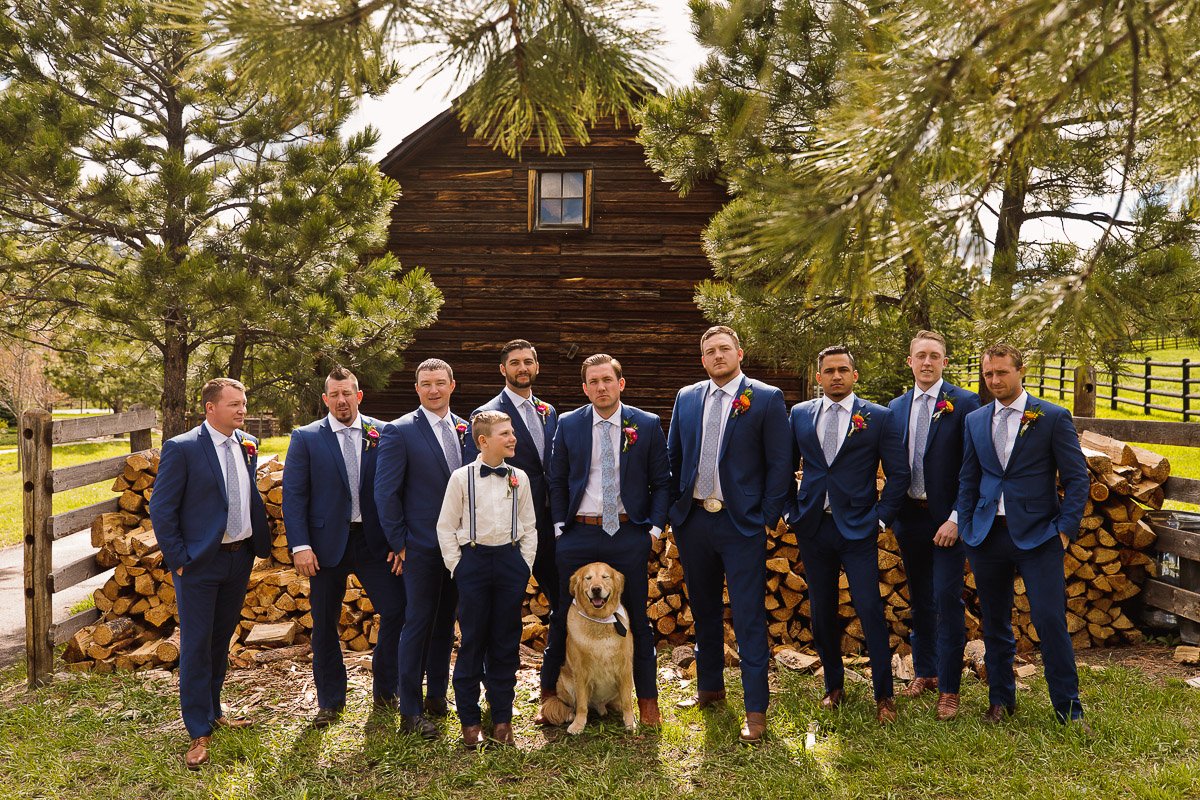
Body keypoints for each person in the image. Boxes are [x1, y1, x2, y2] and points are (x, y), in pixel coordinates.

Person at [666, 325, 792, 744]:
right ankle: (710, 689)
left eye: (724, 349)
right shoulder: (687, 397)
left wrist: (764, 517)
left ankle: (756, 709)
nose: (717, 356)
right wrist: (674, 510)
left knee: (748, 616)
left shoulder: (766, 397)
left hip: (741, 524)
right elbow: (674, 457)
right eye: (709, 351)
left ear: (740, 353)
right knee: (703, 610)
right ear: (702, 359)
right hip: (695, 521)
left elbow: (780, 463)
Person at [958, 344, 1090, 726]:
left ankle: (1068, 709)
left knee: (1050, 622)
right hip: (986, 536)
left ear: (1021, 371)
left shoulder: (1051, 417)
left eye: (1002, 372)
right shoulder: (975, 420)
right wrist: (967, 527)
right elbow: (969, 477)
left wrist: (1063, 532)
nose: (995, 380)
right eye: (988, 375)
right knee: (995, 623)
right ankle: (1001, 700)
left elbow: (1077, 478)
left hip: (1039, 536)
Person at [541, 354, 671, 727]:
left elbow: (662, 481)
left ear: (620, 384)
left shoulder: (644, 424)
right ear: (585, 388)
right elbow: (557, 479)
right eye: (593, 382)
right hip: (578, 533)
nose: (601, 387)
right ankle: (551, 693)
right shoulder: (568, 424)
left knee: (636, 618)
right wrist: (560, 528)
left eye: (607, 380)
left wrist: (653, 530)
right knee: (562, 613)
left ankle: (646, 699)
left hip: (628, 534)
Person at [149, 377, 270, 769]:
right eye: (234, 404)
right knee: (198, 645)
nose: (242, 410)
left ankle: (215, 711)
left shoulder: (245, 445)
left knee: (221, 640)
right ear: (210, 408)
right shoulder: (182, 448)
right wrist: (180, 559)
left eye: (244, 403)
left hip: (239, 559)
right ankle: (197, 728)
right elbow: (162, 510)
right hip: (199, 563)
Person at [788, 345, 910, 724]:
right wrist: (790, 510)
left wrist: (880, 518)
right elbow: (784, 466)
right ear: (819, 377)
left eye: (843, 370)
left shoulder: (878, 417)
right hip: (813, 526)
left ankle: (884, 695)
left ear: (855, 376)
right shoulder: (800, 415)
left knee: (869, 608)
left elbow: (899, 474)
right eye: (829, 371)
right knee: (821, 609)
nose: (836, 376)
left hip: (858, 527)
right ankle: (833, 686)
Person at [282, 366, 404, 729]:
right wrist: (301, 545)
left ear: (358, 396)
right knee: (324, 624)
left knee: (397, 611)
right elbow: (294, 495)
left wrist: (399, 541)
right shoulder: (306, 437)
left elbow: (398, 488)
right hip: (323, 545)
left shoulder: (383, 433)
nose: (341, 400)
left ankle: (386, 690)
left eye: (347, 393)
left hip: (374, 541)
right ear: (325, 399)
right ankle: (331, 701)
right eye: (334, 395)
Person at [886, 331, 980, 720]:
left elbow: (972, 467)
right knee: (920, 598)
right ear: (909, 362)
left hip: (947, 519)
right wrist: (889, 514)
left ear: (944, 362)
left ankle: (949, 688)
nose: (927, 362)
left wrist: (957, 518)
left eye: (935, 356)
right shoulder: (895, 407)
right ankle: (924, 671)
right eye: (920, 356)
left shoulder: (964, 403)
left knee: (946, 597)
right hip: (909, 516)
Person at [373, 358, 468, 739]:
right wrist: (400, 543)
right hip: (421, 548)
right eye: (425, 383)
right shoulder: (399, 432)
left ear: (451, 385)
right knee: (417, 625)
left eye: (439, 383)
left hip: (459, 547)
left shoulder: (465, 428)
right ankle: (410, 711)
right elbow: (385, 493)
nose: (433, 390)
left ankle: (436, 697)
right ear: (417, 388)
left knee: (445, 624)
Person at [437, 410, 538, 748]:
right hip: (474, 563)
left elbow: (529, 526)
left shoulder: (519, 477)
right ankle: (469, 719)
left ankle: (502, 718)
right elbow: (446, 527)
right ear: (483, 441)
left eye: (512, 432)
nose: (512, 438)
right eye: (505, 434)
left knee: (505, 642)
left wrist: (523, 565)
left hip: (509, 562)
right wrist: (459, 567)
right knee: (473, 641)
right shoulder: (460, 478)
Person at [466, 340, 558, 621]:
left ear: (537, 367)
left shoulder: (548, 411)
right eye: (515, 363)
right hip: (510, 528)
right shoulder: (485, 415)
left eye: (528, 362)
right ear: (502, 369)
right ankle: (495, 666)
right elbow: (478, 475)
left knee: (563, 601)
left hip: (549, 522)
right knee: (502, 608)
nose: (522, 368)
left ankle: (556, 665)